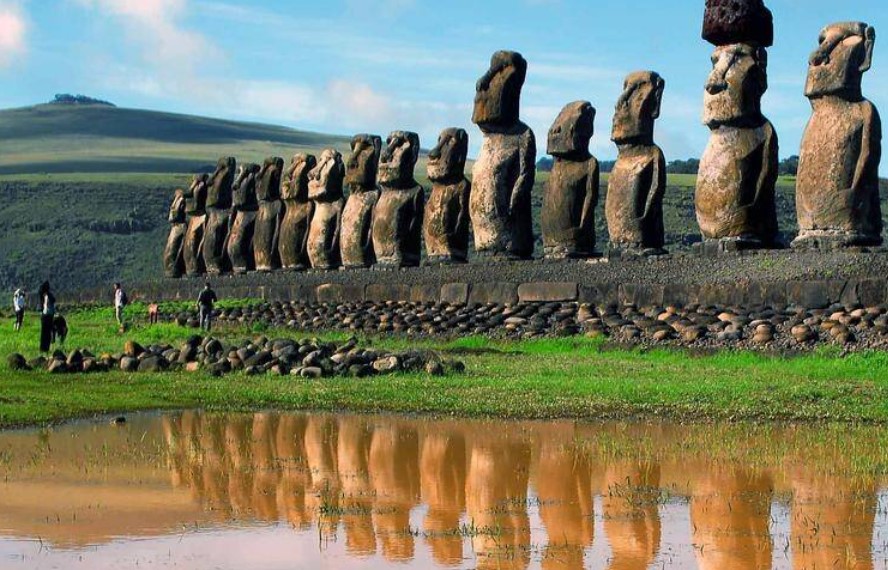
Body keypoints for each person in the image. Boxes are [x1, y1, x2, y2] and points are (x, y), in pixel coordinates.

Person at [38, 282, 55, 353]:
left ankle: (43, 348)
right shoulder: (47, 295)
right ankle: (44, 348)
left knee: (45, 333)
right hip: (48, 316)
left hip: (45, 315)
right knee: (46, 333)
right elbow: (53, 300)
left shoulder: (43, 296)